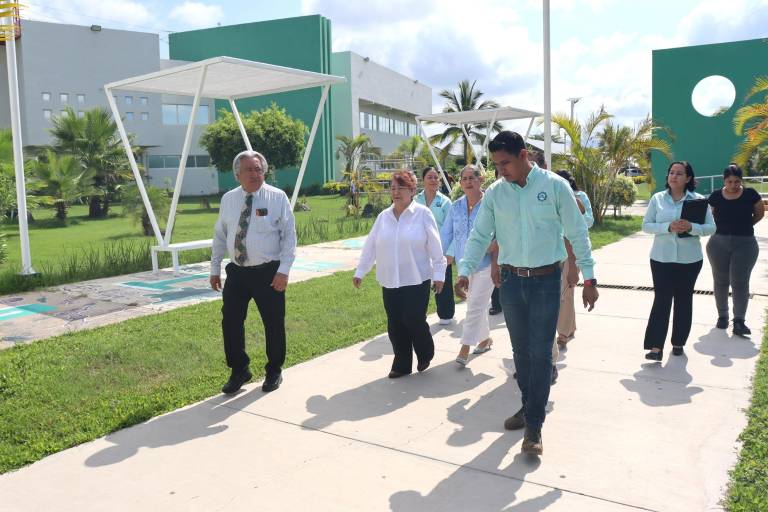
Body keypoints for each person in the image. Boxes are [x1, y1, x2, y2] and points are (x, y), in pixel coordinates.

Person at [455, 131, 598, 456]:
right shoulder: (495, 194)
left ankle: (533, 425)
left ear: (523, 156)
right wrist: (464, 270)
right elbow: (480, 234)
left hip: (547, 282)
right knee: (521, 354)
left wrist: (589, 277)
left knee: (539, 353)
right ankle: (529, 406)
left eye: (505, 162)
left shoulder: (554, 187)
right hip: (511, 281)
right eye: (495, 164)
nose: (500, 170)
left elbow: (578, 233)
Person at [210, 150, 297, 394]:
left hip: (268, 272)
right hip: (237, 272)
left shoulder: (277, 197)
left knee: (273, 322)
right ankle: (239, 370)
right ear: (238, 174)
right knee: (231, 322)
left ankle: (274, 370)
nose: (255, 174)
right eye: (249, 170)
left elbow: (289, 236)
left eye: (259, 169)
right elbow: (220, 235)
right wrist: (215, 268)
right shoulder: (228, 199)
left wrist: (284, 271)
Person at [354, 170, 446, 378]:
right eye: (392, 188)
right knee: (395, 323)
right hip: (390, 279)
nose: (395, 192)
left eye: (400, 188)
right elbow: (371, 246)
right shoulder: (383, 217)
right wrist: (361, 271)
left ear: (412, 190)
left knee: (413, 319)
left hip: (416, 277)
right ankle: (402, 364)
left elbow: (435, 246)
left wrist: (439, 274)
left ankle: (425, 353)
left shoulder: (423, 214)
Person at [642, 161, 715, 360]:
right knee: (662, 300)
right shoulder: (657, 199)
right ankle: (655, 348)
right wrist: (667, 226)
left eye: (679, 173)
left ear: (688, 178)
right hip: (661, 259)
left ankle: (678, 343)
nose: (674, 176)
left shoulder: (699, 200)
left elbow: (711, 228)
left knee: (683, 301)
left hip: (689, 261)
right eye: (671, 172)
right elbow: (646, 225)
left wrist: (691, 227)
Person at [440, 165, 494, 366]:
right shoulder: (456, 207)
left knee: (474, 307)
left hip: (486, 264)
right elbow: (446, 234)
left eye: (473, 177)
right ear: (460, 183)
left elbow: (501, 230)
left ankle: (465, 347)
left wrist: (494, 246)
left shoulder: (491, 203)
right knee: (475, 304)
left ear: (481, 180)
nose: (469, 181)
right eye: (465, 178)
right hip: (464, 266)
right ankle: (485, 339)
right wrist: (440, 256)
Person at [706, 163, 765, 336]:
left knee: (740, 282)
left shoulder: (750, 194)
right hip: (718, 243)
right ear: (724, 180)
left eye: (737, 181)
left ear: (741, 180)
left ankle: (739, 321)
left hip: (745, 244)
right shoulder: (715, 196)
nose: (733, 185)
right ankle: (722, 317)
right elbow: (710, 217)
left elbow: (759, 213)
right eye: (730, 181)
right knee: (720, 281)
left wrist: (746, 226)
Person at [554, 170, 594, 351]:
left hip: (574, 250)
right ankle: (570, 327)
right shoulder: (550, 196)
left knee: (567, 290)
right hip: (553, 250)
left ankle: (562, 334)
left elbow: (589, 222)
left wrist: (578, 208)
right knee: (563, 292)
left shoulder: (580, 196)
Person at [415, 166, 455, 325]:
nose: (433, 180)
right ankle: (418, 314)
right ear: (423, 180)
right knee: (419, 284)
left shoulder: (445, 202)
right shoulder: (415, 200)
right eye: (429, 177)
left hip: (441, 251)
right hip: (419, 251)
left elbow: (454, 230)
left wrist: (451, 252)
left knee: (443, 285)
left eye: (435, 177)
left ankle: (445, 315)